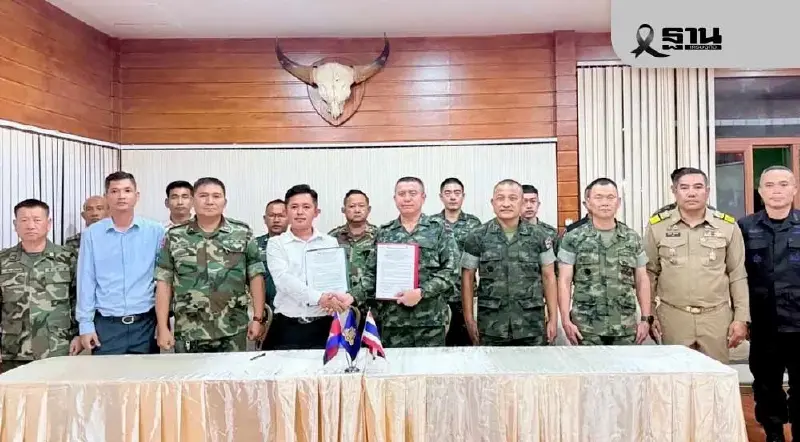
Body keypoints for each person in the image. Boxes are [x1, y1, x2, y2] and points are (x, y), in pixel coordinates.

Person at [644, 167, 749, 363]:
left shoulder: (727, 226)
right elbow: (649, 274)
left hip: (716, 318)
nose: (691, 193)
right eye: (684, 187)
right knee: (677, 376)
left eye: (698, 187)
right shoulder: (658, 226)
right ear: (674, 191)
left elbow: (737, 274)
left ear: (707, 191)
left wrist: (741, 318)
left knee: (715, 376)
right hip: (673, 317)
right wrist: (649, 314)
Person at [154, 177, 266, 353]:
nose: (209, 201)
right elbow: (164, 282)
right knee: (188, 372)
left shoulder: (242, 233)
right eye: (203, 196)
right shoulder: (174, 236)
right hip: (190, 330)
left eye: (216, 196)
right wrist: (162, 327)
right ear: (193, 201)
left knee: (233, 372)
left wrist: (258, 319)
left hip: (233, 328)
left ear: (224, 202)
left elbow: (255, 276)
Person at [353, 177, 459, 347]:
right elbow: (371, 275)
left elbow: (451, 270)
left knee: (430, 364)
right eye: (402, 194)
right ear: (395, 198)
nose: (407, 198)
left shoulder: (440, 229)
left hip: (429, 322)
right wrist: (351, 296)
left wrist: (422, 292)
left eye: (413, 193)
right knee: (394, 364)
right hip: (393, 322)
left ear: (423, 197)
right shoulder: (384, 232)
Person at [738, 165, 799, 442]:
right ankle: (773, 435)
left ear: (794, 189)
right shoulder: (744, 228)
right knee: (766, 386)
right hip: (764, 324)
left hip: (799, 323)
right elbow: (735, 275)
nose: (777, 191)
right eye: (770, 185)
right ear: (760, 191)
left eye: (784, 184)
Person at [76, 171, 165, 355]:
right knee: (107, 374)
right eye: (115, 191)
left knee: (147, 374)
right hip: (107, 325)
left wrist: (163, 324)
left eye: (127, 190)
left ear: (136, 196)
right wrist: (85, 324)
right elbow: (86, 280)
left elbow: (163, 279)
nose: (121, 196)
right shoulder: (92, 234)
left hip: (145, 324)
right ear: (107, 196)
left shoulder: (156, 231)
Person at [461, 179, 558, 346]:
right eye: (500, 198)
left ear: (521, 202)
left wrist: (553, 319)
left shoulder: (540, 236)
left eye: (513, 198)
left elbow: (549, 277)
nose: (506, 204)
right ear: (492, 202)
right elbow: (467, 277)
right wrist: (469, 319)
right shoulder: (477, 236)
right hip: (491, 325)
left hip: (531, 324)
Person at [558, 178, 652, 345]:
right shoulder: (573, 238)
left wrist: (645, 319)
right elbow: (564, 281)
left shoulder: (632, 238)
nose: (605, 203)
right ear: (588, 202)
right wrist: (565, 320)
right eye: (598, 197)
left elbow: (642, 280)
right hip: (586, 328)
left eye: (610, 197)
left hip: (625, 327)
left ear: (618, 202)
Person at [266, 185, 353, 350]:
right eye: (294, 207)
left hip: (325, 323)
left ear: (316, 212)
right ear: (286, 211)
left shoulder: (329, 242)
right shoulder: (276, 243)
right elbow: (283, 280)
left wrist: (337, 298)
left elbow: (334, 278)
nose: (300, 212)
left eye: (306, 207)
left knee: (329, 366)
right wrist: (319, 298)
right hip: (289, 325)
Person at [0, 199, 81, 373]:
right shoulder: (3, 260)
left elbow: (79, 300)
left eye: (37, 220)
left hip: (58, 348)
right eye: (24, 220)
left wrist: (79, 335)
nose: (30, 226)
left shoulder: (68, 258)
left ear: (48, 223)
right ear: (15, 225)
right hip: (13, 351)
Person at [431, 177, 481, 347]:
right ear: (441, 197)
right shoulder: (431, 224)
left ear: (463, 196)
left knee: (467, 343)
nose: (452, 197)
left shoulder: (474, 224)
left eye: (457, 193)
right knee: (440, 345)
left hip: (466, 294)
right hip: (439, 295)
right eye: (448, 193)